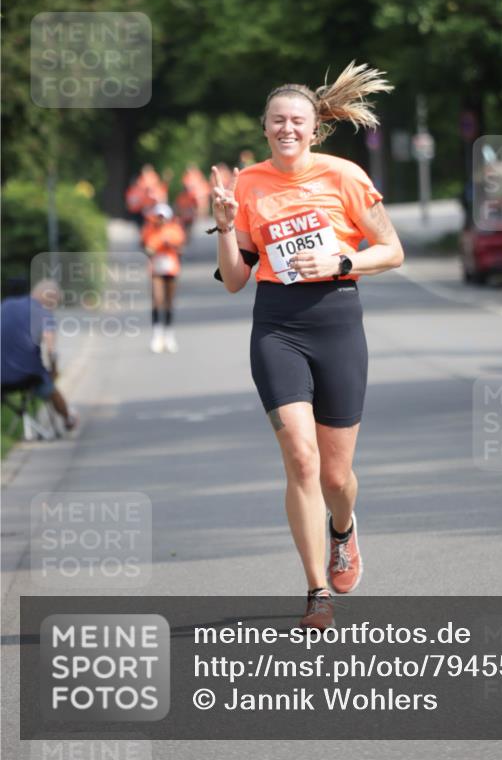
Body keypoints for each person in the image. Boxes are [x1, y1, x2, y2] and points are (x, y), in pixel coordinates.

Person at [210, 62, 404, 628]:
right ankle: (317, 590)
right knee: (300, 457)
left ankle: (343, 528)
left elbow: (392, 250)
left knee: (335, 478)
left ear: (314, 129)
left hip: (338, 324)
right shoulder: (246, 185)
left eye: (297, 121)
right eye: (277, 120)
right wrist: (224, 227)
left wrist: (341, 259)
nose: (287, 129)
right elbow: (235, 279)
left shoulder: (344, 176)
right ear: (265, 127)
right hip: (277, 326)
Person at [1, 280, 79, 430]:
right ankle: (68, 419)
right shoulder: (44, 313)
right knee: (49, 386)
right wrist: (54, 371)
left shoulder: (6, 304)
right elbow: (51, 351)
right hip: (26, 377)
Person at [141, 203, 186, 354]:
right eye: (158, 217)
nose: (160, 220)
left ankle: (168, 334)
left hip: (171, 268)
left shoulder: (174, 230)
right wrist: (151, 249)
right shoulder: (149, 230)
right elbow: (145, 247)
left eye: (163, 217)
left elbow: (181, 248)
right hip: (156, 268)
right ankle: (156, 334)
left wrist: (170, 245)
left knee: (169, 301)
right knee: (157, 299)